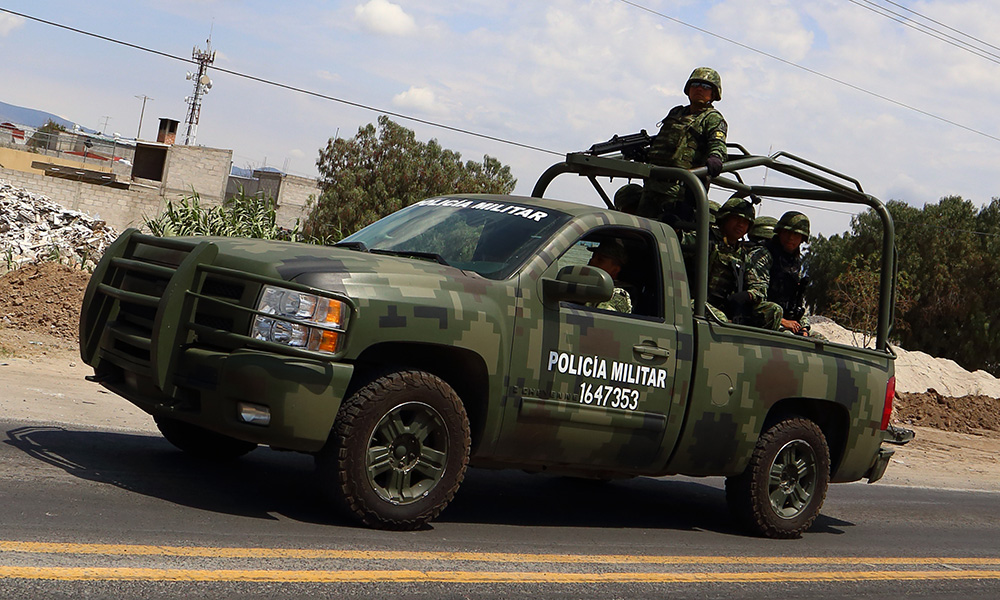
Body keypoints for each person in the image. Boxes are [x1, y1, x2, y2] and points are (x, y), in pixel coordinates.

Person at [636, 67, 728, 227]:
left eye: (706, 86)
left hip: (679, 191)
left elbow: (718, 144)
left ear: (714, 94)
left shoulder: (712, 118)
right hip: (653, 185)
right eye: (696, 84)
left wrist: (715, 157)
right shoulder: (677, 112)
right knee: (640, 231)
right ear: (688, 89)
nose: (699, 88)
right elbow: (664, 142)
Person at [704, 196, 770, 325]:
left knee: (773, 310)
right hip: (698, 302)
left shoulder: (743, 255)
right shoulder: (706, 239)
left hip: (726, 307)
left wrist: (748, 295)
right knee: (721, 320)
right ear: (725, 218)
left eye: (745, 222)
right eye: (736, 219)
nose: (741, 225)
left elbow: (760, 288)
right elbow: (683, 239)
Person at [751, 211, 814, 335]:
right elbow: (757, 298)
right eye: (787, 232)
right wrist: (783, 321)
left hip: (787, 321)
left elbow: (798, 302)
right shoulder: (763, 255)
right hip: (764, 318)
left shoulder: (795, 263)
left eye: (796, 234)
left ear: (802, 239)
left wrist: (804, 327)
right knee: (789, 338)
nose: (791, 238)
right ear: (779, 233)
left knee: (820, 342)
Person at [586, 239, 632, 313]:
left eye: (600, 260)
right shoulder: (587, 285)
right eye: (593, 256)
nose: (592, 261)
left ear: (615, 270)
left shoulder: (618, 295)